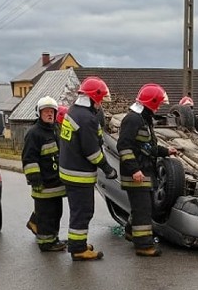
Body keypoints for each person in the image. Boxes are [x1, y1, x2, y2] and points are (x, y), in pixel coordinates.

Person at [58, 76, 118, 261]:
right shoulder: (86, 119)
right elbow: (92, 153)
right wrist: (108, 169)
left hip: (69, 170)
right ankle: (78, 249)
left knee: (78, 211)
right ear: (93, 98)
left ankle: (79, 244)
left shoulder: (74, 111)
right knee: (83, 212)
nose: (100, 104)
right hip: (79, 174)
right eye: (99, 100)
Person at [117, 83, 178, 256]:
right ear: (151, 102)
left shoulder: (144, 118)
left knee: (144, 207)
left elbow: (147, 147)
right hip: (136, 174)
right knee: (143, 210)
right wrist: (134, 170)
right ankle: (144, 245)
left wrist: (166, 151)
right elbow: (124, 147)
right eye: (157, 103)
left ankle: (131, 232)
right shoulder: (133, 119)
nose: (159, 107)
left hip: (145, 172)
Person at [22, 96, 67, 252]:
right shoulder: (34, 133)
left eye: (52, 111)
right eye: (46, 111)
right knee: (47, 216)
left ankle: (53, 238)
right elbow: (29, 158)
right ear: (39, 113)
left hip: (56, 184)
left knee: (56, 214)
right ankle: (46, 243)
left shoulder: (54, 130)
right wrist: (35, 179)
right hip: (43, 185)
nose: (49, 114)